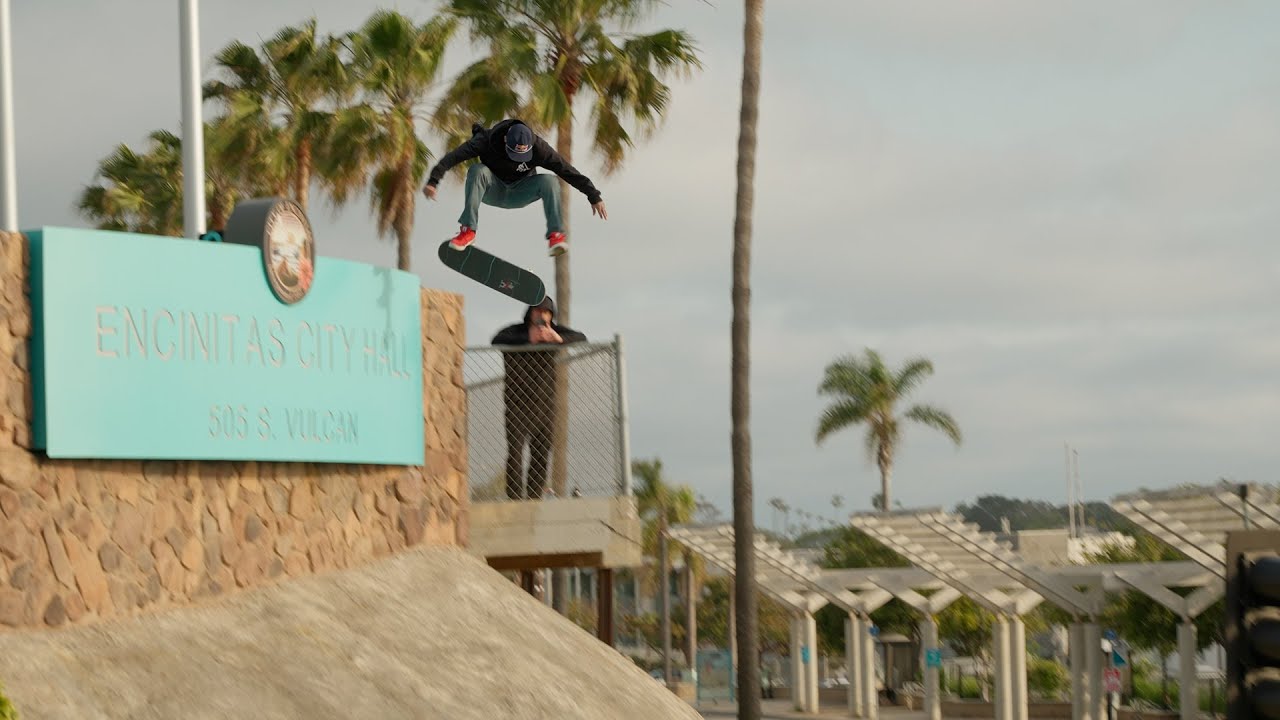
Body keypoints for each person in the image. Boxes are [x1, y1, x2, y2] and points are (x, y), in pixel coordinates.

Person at [422, 119, 608, 257]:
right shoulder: (485, 141)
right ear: (505, 140)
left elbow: (566, 170)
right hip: (492, 190)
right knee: (477, 171)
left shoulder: (539, 148)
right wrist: (433, 180)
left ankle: (556, 235)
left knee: (550, 181)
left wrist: (593, 195)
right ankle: (468, 231)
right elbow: (453, 157)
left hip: (520, 192)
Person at [491, 297, 586, 500]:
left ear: (551, 316)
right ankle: (515, 498)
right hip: (517, 406)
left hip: (546, 406)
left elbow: (581, 337)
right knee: (515, 455)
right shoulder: (516, 331)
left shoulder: (555, 333)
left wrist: (557, 339)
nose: (542, 316)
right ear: (530, 313)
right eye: (538, 311)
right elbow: (496, 340)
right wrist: (528, 340)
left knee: (541, 456)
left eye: (546, 312)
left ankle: (534, 498)